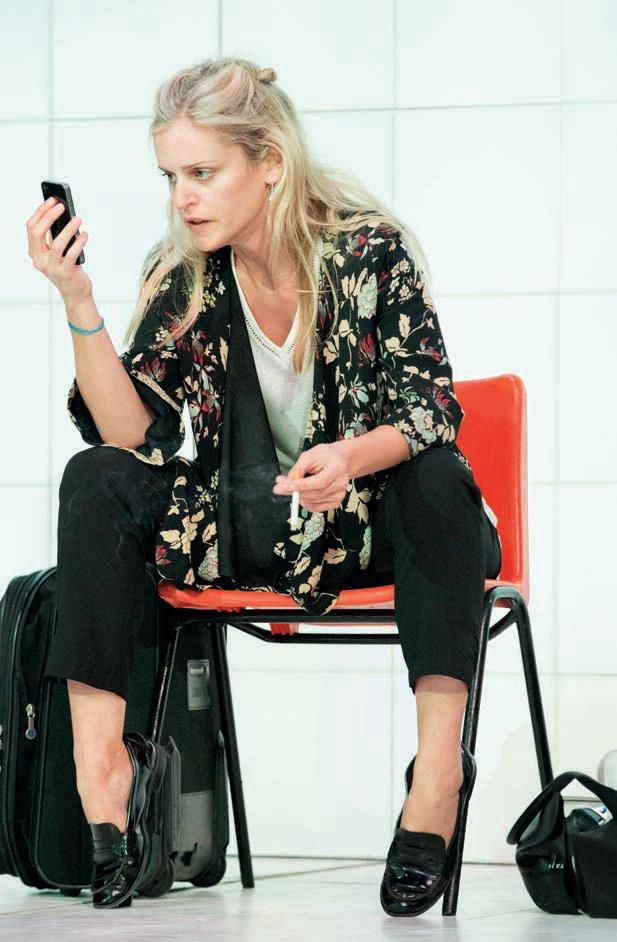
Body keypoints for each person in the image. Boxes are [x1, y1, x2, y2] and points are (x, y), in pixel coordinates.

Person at [26, 56, 502, 915]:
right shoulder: (184, 271)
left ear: (270, 161)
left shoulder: (368, 252)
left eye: (203, 173)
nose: (184, 198)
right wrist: (77, 300)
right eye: (171, 177)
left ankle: (437, 777)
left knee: (436, 477)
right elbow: (129, 431)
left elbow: (431, 408)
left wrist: (349, 459)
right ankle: (104, 778)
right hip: (243, 528)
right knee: (95, 478)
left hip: (367, 525)